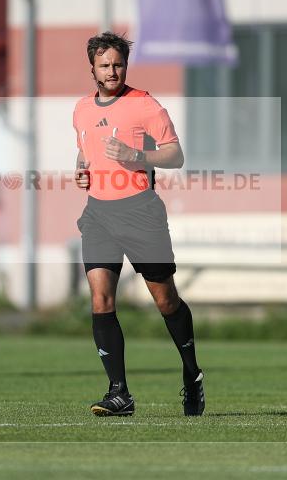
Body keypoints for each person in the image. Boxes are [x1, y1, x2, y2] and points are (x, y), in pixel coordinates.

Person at [72, 31, 204, 416]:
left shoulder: (145, 105)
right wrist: (82, 170)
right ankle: (119, 393)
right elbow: (85, 151)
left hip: (141, 212)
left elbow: (175, 155)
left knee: (165, 301)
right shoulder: (81, 108)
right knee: (101, 298)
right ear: (92, 67)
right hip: (98, 213)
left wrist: (135, 153)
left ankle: (192, 375)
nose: (113, 71)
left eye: (118, 64)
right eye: (105, 65)